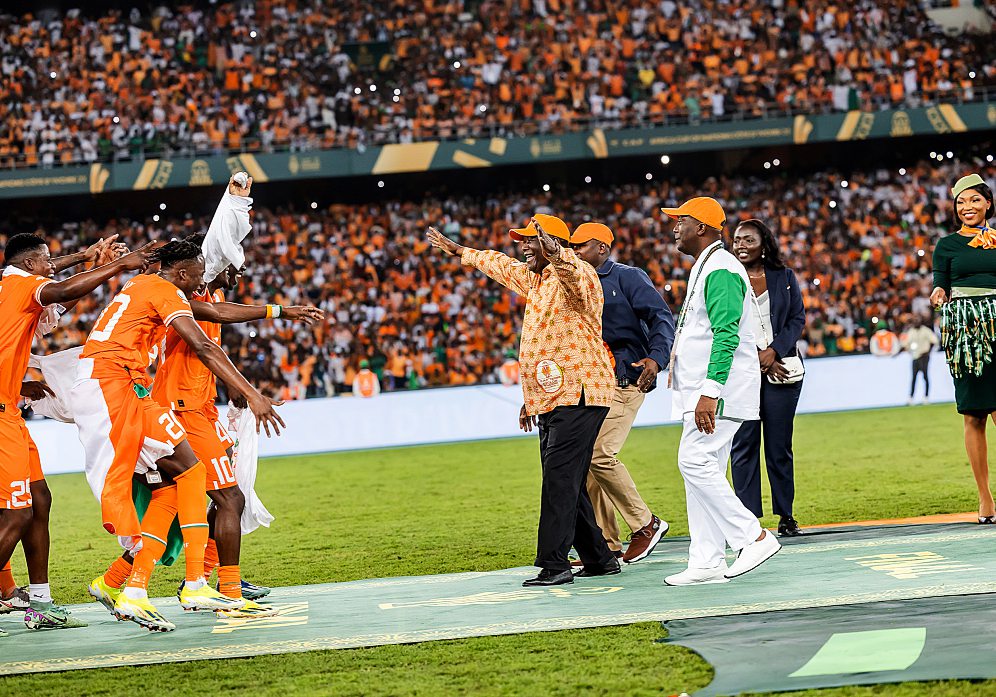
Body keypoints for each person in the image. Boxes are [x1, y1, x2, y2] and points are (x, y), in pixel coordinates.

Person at [87, 239, 324, 617]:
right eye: (228, 265)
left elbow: (219, 318)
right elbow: (210, 337)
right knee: (229, 498)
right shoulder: (174, 298)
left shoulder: (173, 293)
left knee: (171, 500)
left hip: (193, 408)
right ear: (194, 271)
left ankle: (120, 581)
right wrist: (253, 391)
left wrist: (278, 312)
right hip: (180, 409)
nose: (236, 272)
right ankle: (220, 588)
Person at [427, 214, 617, 587]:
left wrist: (557, 253)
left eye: (532, 240)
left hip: (579, 393)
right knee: (565, 480)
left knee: (560, 480)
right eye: (523, 241)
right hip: (552, 397)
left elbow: (572, 272)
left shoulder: (578, 276)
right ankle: (599, 557)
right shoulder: (536, 280)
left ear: (554, 244)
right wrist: (460, 251)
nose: (523, 246)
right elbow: (500, 264)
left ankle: (554, 564)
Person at [0, 232, 156, 634]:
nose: (53, 263)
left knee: (39, 499)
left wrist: (89, 259)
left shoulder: (15, 286)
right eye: (47, 259)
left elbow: (57, 295)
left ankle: (40, 603)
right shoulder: (21, 285)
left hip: (10, 411)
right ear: (31, 264)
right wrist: (118, 265)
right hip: (0, 416)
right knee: (16, 514)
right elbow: (61, 288)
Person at [660, 197, 780, 585]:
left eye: (681, 220)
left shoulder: (723, 268)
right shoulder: (709, 265)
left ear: (704, 228)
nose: (674, 226)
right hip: (706, 389)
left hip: (719, 390)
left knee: (692, 462)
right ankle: (706, 560)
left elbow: (726, 334)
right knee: (702, 469)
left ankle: (752, 536)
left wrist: (709, 392)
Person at [569, 221, 674, 563]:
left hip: (624, 378)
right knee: (586, 464)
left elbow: (661, 317)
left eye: (581, 246)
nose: (574, 252)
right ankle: (604, 546)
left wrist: (656, 360)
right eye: (571, 246)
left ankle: (646, 524)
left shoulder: (628, 277)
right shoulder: (573, 281)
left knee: (599, 454)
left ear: (602, 248)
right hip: (592, 383)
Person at [729, 219, 807, 537]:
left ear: (764, 244)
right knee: (743, 444)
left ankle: (786, 515)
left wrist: (773, 351)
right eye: (736, 240)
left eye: (748, 239)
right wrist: (757, 359)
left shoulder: (784, 277)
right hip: (744, 373)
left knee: (778, 446)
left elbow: (797, 318)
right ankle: (747, 521)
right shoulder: (727, 278)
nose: (741, 245)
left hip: (783, 371)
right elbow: (725, 326)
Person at [930, 173, 996, 524]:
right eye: (960, 203)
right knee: (974, 414)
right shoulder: (947, 245)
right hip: (967, 332)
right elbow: (940, 284)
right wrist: (939, 293)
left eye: (973, 200)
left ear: (987, 203)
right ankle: (985, 498)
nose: (966, 207)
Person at [902, 315, 938, 405]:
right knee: (914, 377)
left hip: (924, 356)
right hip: (915, 356)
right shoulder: (911, 331)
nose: (915, 323)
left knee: (925, 376)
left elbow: (934, 341)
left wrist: (928, 352)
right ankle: (911, 398)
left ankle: (926, 397)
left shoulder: (926, 330)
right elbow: (906, 343)